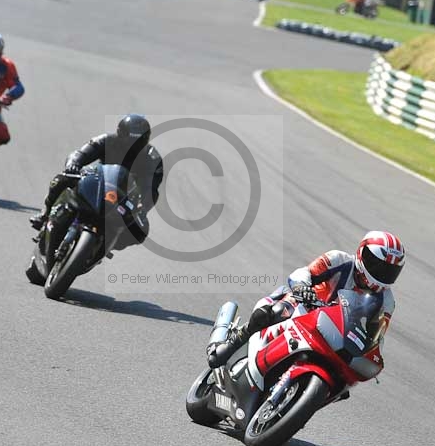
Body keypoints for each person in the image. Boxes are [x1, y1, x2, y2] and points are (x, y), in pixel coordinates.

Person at [206, 231, 405, 370]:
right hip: (305, 304)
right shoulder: (339, 260)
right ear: (362, 254)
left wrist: (371, 352)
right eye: (378, 266)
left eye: (389, 271)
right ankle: (232, 344)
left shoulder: (387, 301)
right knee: (274, 313)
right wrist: (303, 288)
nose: (382, 274)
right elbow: (305, 272)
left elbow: (377, 335)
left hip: (335, 332)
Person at [30, 114, 164, 250]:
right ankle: (45, 214)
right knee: (62, 179)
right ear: (120, 134)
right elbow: (80, 154)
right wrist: (73, 164)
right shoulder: (106, 140)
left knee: (140, 230)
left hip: (124, 198)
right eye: (129, 141)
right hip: (96, 183)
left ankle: (105, 246)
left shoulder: (152, 158)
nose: (132, 147)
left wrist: (142, 208)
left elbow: (150, 190)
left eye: (138, 142)